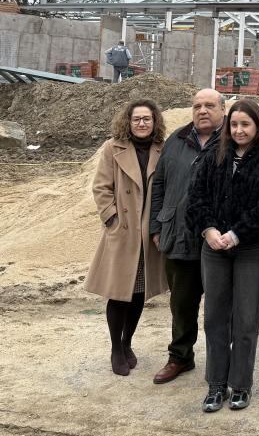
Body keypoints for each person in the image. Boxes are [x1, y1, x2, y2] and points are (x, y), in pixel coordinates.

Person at [188, 98, 259, 413]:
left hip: (251, 249)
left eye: (246, 124)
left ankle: (240, 384)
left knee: (245, 319)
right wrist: (209, 230)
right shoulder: (215, 156)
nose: (239, 130)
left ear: (257, 126)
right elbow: (196, 197)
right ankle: (216, 384)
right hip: (214, 249)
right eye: (234, 124)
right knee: (215, 317)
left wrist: (237, 232)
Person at [84, 98, 169, 376]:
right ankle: (115, 348)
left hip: (147, 234)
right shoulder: (113, 148)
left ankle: (127, 342)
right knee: (119, 293)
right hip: (122, 232)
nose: (142, 124)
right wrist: (112, 218)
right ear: (128, 122)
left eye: (147, 119)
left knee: (139, 294)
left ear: (154, 122)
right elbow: (101, 187)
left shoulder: (163, 149)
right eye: (137, 119)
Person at [147, 88, 225, 384]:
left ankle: (221, 364)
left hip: (217, 241)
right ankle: (180, 357)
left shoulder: (233, 139)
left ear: (222, 109)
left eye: (208, 106)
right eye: (197, 106)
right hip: (177, 235)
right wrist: (156, 225)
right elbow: (160, 184)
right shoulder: (177, 140)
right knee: (181, 304)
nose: (202, 111)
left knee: (220, 306)